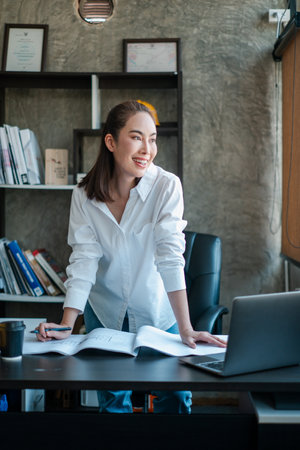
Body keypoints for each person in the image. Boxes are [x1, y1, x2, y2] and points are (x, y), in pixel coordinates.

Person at [36, 100, 226, 413]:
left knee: (176, 397)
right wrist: (67, 324)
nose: (147, 149)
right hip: (106, 311)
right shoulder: (83, 195)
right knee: (112, 401)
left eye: (152, 139)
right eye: (136, 137)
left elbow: (170, 256)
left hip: (157, 309)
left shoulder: (166, 186)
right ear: (110, 142)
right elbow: (83, 259)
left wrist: (185, 327)